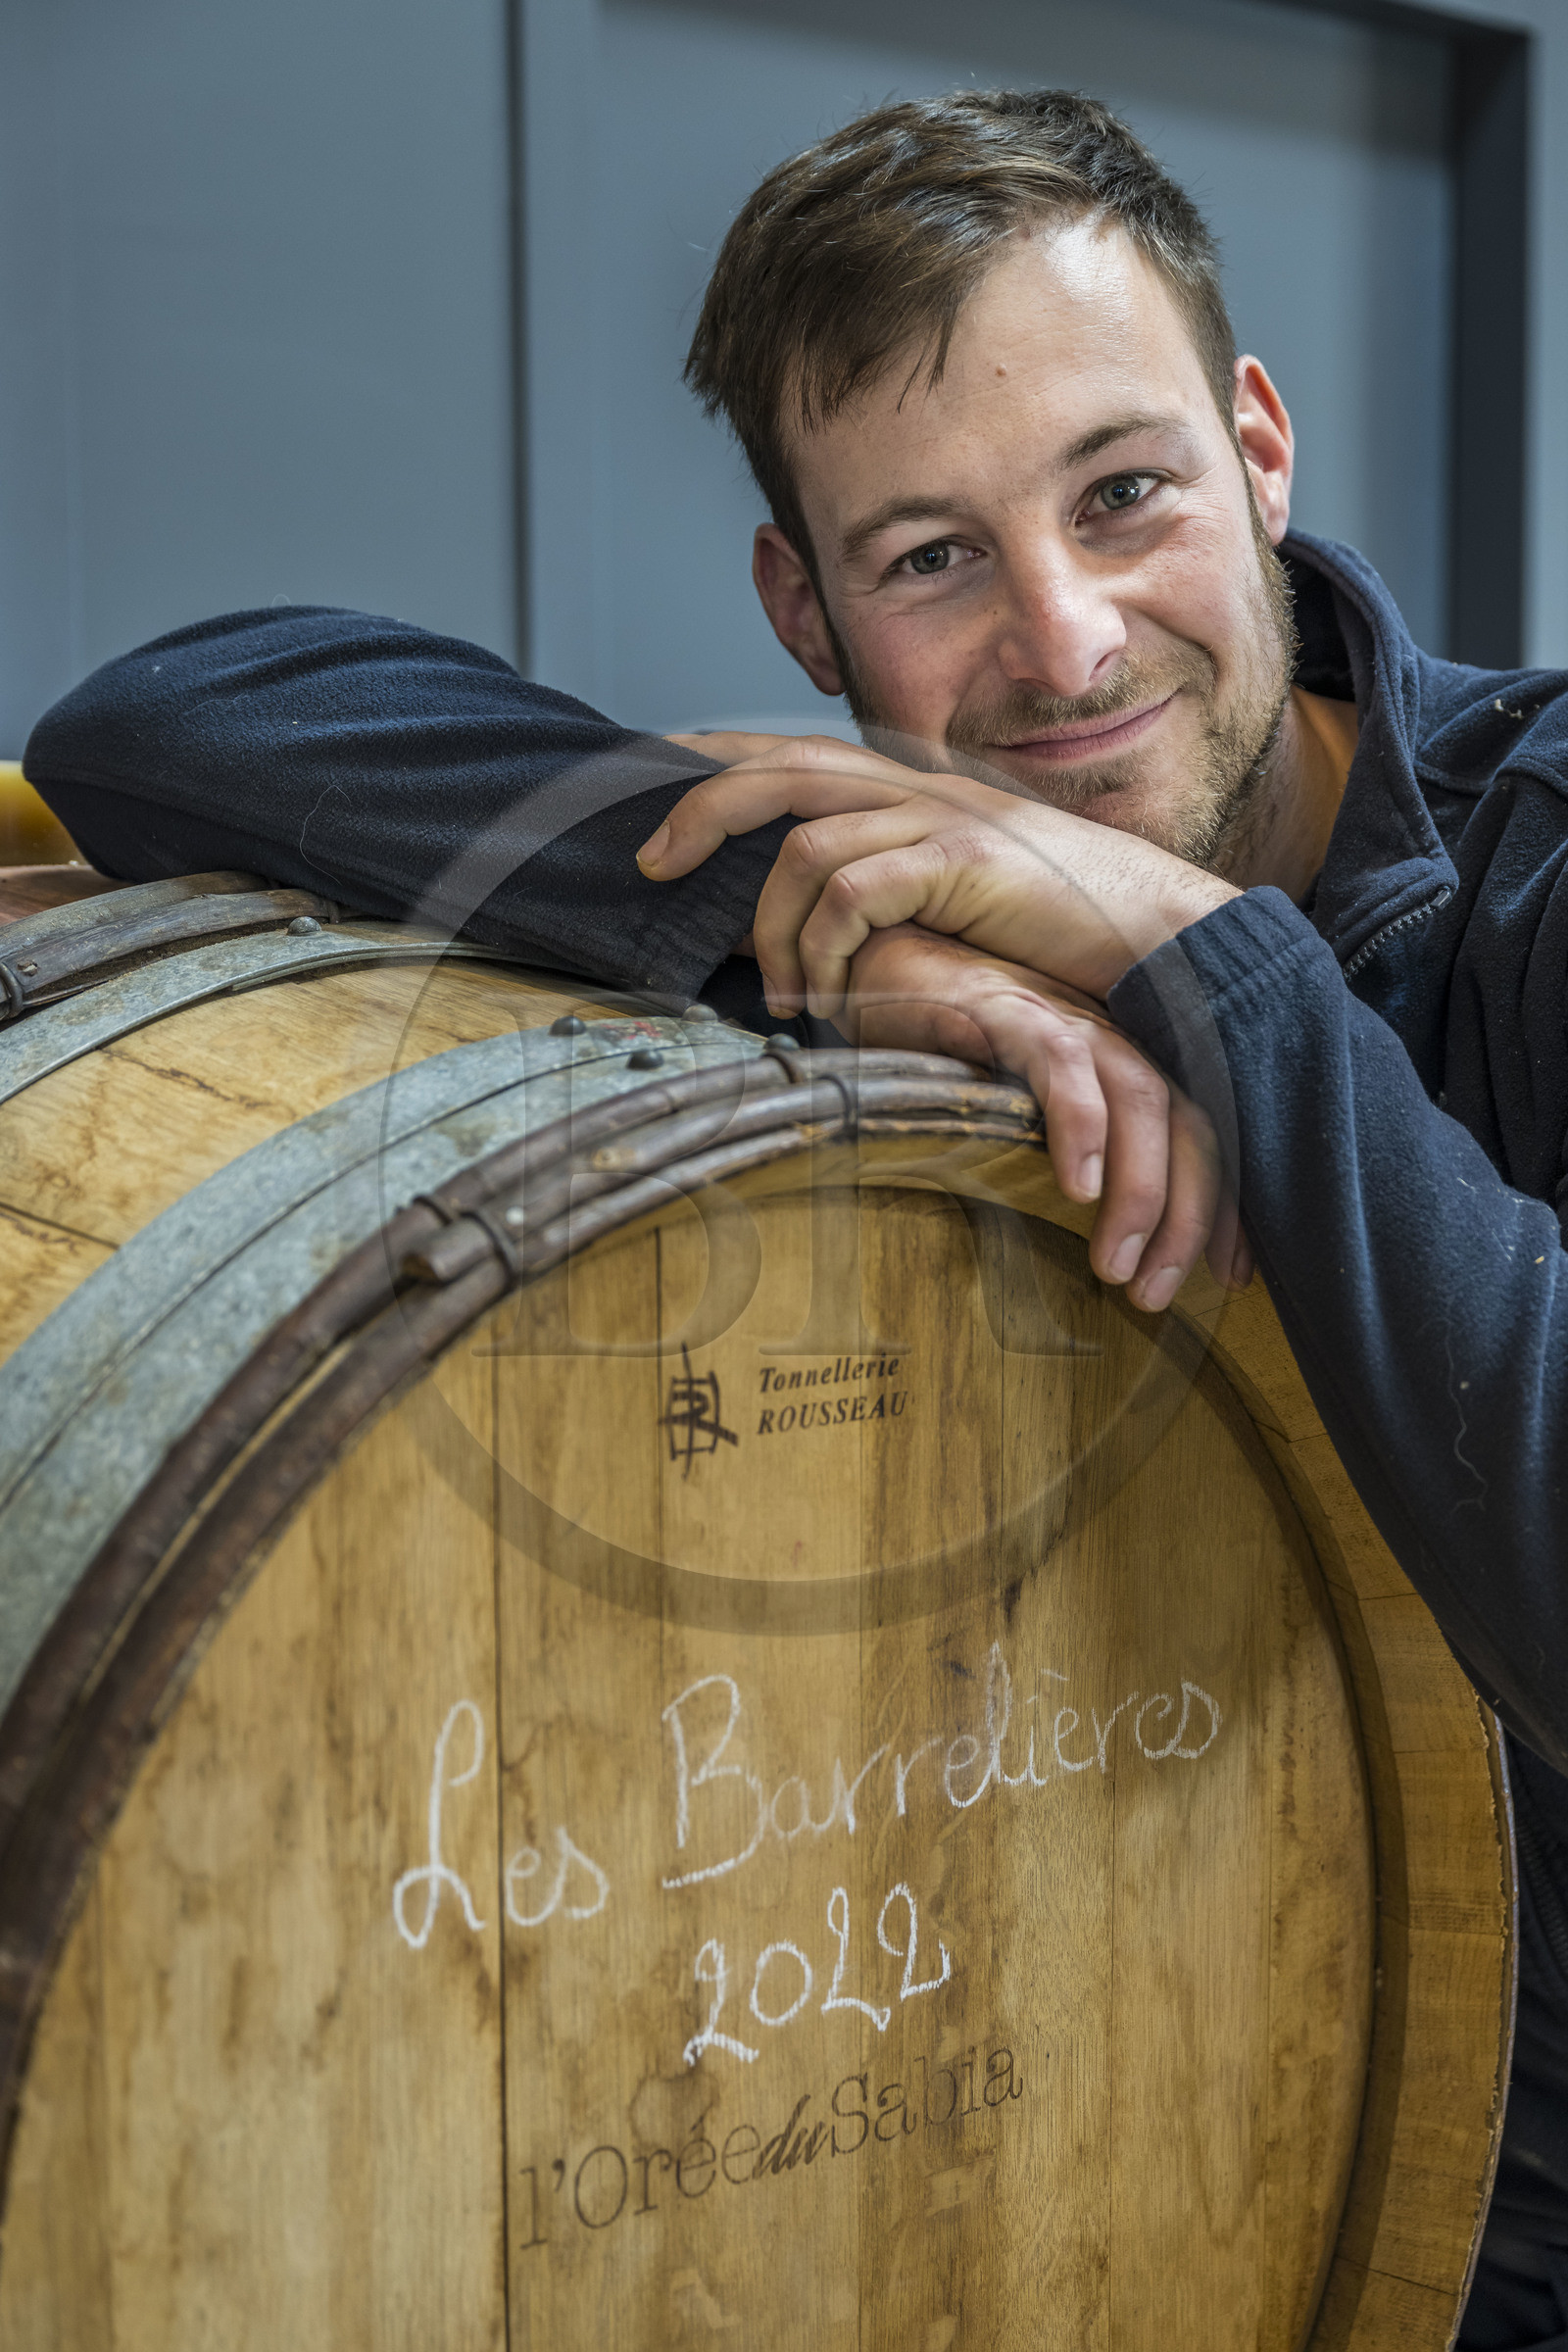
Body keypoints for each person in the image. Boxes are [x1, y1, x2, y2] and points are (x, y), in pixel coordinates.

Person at [21, 89, 1568, 2348]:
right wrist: (789, 916)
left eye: (1121, 493)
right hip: (1164, 2120)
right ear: (803, 609)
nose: (1059, 648)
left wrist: (1197, 965)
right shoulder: (914, 854)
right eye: (928, 557)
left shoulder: (1535, 863)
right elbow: (154, 717)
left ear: (1255, 448)